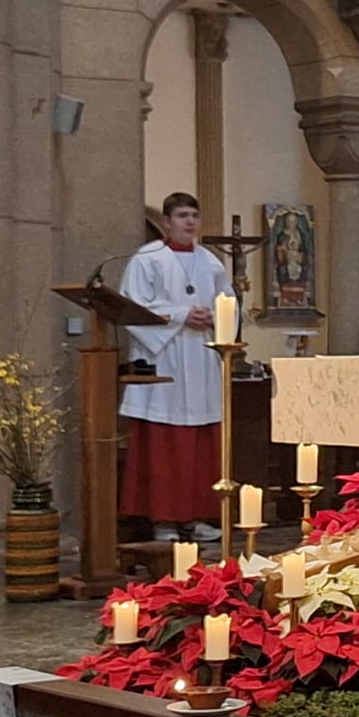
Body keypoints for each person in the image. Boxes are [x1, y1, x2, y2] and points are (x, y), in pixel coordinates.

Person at [118, 193, 236, 544]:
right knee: (163, 445)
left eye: (194, 215)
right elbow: (132, 307)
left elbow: (229, 303)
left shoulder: (210, 262)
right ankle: (163, 521)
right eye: (182, 216)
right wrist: (183, 314)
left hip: (200, 358)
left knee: (201, 444)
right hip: (165, 360)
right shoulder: (147, 259)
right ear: (167, 222)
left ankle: (197, 518)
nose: (190, 222)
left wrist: (216, 317)